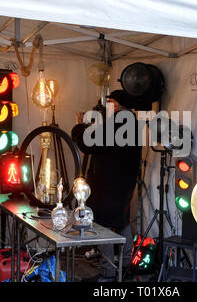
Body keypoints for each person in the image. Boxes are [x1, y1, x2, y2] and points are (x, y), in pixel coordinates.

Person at [71, 90, 142, 281]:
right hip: (124, 183)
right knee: (121, 221)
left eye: (109, 102)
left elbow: (89, 144)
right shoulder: (131, 123)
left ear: (116, 105)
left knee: (102, 225)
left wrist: (78, 127)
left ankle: (108, 271)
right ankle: (126, 265)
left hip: (108, 184)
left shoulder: (116, 123)